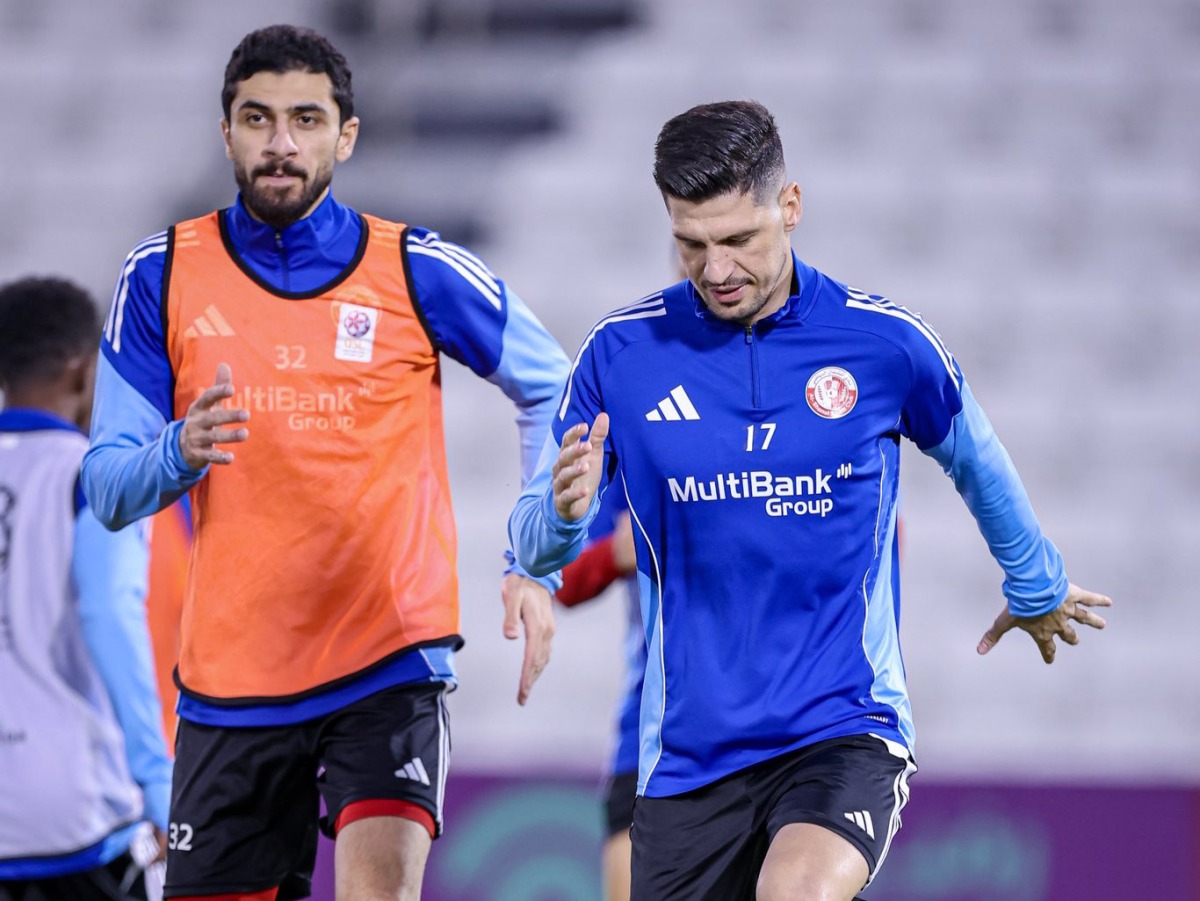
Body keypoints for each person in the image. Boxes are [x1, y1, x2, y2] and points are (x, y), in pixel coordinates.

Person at [509, 100, 1112, 901]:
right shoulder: (621, 354)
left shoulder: (884, 343)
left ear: (789, 208)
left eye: (737, 240)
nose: (716, 269)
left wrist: (1034, 583)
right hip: (687, 755)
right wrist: (560, 513)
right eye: (691, 244)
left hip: (841, 726)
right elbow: (534, 544)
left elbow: (978, 459)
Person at [81, 25, 569, 901]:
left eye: (305, 119)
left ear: (346, 135)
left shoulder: (416, 268)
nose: (279, 142)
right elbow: (108, 489)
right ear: (224, 131)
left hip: (388, 660)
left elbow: (554, 385)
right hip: (229, 688)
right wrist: (175, 453)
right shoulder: (159, 275)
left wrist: (535, 560)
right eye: (256, 118)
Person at [0, 276, 171, 900]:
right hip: (76, 808)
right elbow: (108, 611)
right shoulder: (92, 479)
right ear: (81, 370)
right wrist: (157, 782)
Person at [555, 496, 640, 901]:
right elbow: (564, 577)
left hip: (788, 735)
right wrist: (616, 552)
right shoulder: (642, 439)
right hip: (653, 735)